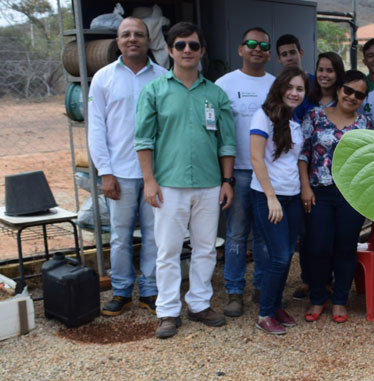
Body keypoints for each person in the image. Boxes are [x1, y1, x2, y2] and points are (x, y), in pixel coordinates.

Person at [135, 22, 236, 339]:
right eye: (180, 45)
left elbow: (227, 143)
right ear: (169, 50)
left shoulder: (215, 94)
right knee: (167, 250)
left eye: (193, 45)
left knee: (206, 248)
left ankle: (199, 304)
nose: (187, 51)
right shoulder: (154, 91)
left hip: (208, 185)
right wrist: (149, 181)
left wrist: (227, 180)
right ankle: (167, 311)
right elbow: (143, 140)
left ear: (202, 50)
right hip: (168, 185)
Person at [88, 17, 167, 317]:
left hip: (156, 173)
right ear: (117, 41)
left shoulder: (162, 77)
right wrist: (104, 171)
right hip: (119, 172)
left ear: (148, 40)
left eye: (138, 34)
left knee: (154, 233)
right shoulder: (103, 78)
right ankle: (121, 290)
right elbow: (96, 128)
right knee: (120, 236)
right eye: (126, 35)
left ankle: (149, 289)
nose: (132, 39)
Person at [299, 70, 374, 323]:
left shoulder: (365, 123)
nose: (352, 97)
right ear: (339, 89)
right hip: (319, 190)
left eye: (359, 94)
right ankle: (318, 297)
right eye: (348, 90)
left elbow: (370, 160)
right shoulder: (315, 116)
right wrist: (305, 187)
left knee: (345, 246)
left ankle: (340, 300)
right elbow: (303, 154)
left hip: (352, 193)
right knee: (318, 246)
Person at [216, 26, 275, 317]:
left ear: (269, 53)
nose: (257, 48)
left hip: (266, 173)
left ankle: (263, 287)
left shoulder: (277, 85)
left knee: (264, 234)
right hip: (237, 171)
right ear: (240, 50)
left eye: (263, 45)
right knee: (236, 234)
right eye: (251, 43)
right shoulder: (224, 84)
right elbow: (215, 132)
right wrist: (222, 176)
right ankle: (234, 291)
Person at [249, 67, 309, 335]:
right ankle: (264, 313)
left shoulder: (294, 122)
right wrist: (271, 197)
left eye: (300, 89)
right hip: (268, 196)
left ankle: (275, 306)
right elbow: (255, 157)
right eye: (291, 87)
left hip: (292, 196)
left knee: (287, 255)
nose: (295, 93)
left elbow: (294, 161)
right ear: (280, 88)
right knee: (279, 257)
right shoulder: (263, 116)